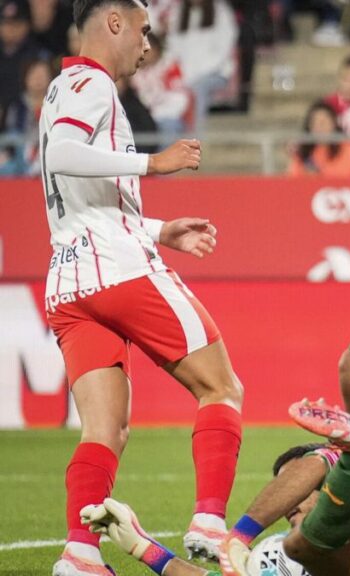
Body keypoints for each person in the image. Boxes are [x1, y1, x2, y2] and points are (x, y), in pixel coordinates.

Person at [81, 171, 350, 576]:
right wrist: (142, 547)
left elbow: (313, 466)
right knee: (302, 547)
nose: (293, 510)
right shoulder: (288, 551)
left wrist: (239, 536)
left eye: (298, 502)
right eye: (289, 510)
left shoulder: (318, 486)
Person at [43, 2, 244, 574]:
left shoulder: (61, 88)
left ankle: (80, 555)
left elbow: (82, 195)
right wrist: (154, 163)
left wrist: (160, 229)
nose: (147, 46)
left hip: (70, 278)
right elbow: (60, 155)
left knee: (106, 428)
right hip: (117, 269)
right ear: (114, 23)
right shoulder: (93, 85)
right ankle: (209, 520)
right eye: (144, 31)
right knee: (221, 388)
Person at [165, 0, 238, 136]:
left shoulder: (221, 10)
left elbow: (224, 48)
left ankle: (195, 138)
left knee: (198, 89)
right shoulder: (179, 12)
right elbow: (172, 46)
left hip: (216, 73)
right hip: (185, 74)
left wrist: (196, 75)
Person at [288, 102, 350, 178]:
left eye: (323, 122)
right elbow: (294, 177)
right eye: (314, 123)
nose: (319, 127)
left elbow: (343, 175)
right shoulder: (303, 151)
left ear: (334, 123)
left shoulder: (347, 147)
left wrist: (317, 174)